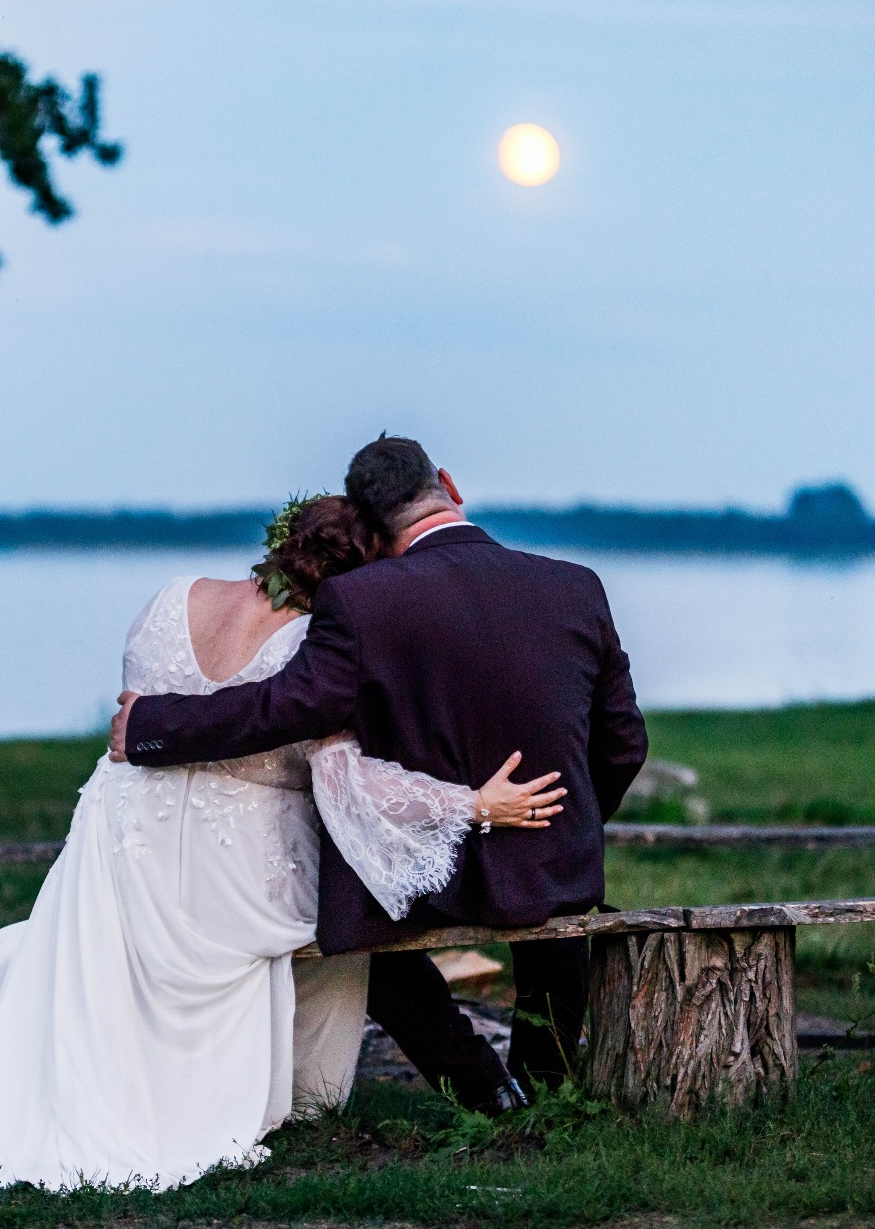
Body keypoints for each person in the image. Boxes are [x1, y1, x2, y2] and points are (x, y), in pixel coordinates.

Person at [0, 494, 565, 1191]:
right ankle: (476, 1086)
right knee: (355, 905)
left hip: (118, 841)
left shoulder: (171, 597)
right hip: (235, 862)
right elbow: (349, 786)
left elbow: (142, 713)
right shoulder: (321, 646)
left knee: (340, 903)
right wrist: (473, 803)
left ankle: (479, 1081)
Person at [114, 436, 648, 1113]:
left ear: (369, 522)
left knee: (359, 914)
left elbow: (286, 707)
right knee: (555, 892)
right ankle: (546, 1086)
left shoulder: (358, 600)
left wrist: (152, 722)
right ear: (448, 483)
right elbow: (624, 743)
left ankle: (483, 1089)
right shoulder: (576, 586)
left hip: (426, 878)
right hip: (548, 859)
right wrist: (562, 823)